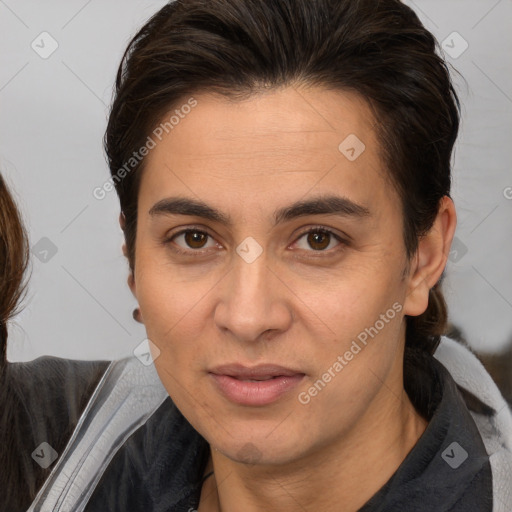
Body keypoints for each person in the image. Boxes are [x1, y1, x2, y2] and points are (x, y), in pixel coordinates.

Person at [2, 1, 512, 511]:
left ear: (423, 257)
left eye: (318, 240)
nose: (248, 318)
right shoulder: (43, 444)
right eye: (195, 239)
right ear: (134, 260)